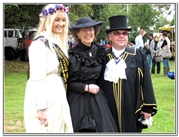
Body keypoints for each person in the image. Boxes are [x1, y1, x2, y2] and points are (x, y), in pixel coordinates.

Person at [99, 15, 157, 132]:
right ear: (110, 36)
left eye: (124, 33)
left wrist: (147, 107)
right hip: (108, 108)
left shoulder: (137, 55)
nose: (121, 36)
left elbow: (146, 82)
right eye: (117, 33)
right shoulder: (102, 56)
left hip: (131, 108)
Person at [24, 4, 73, 133]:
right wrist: (42, 108)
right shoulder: (39, 44)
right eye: (57, 19)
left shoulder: (59, 42)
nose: (61, 24)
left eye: (63, 20)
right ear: (47, 20)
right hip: (45, 95)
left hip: (58, 93)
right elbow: (36, 79)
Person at [66, 17, 118, 132]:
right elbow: (67, 83)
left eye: (90, 29)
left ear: (95, 31)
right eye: (83, 30)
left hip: (97, 99)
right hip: (77, 100)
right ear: (77, 34)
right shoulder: (72, 55)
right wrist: (86, 87)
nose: (88, 33)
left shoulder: (100, 51)